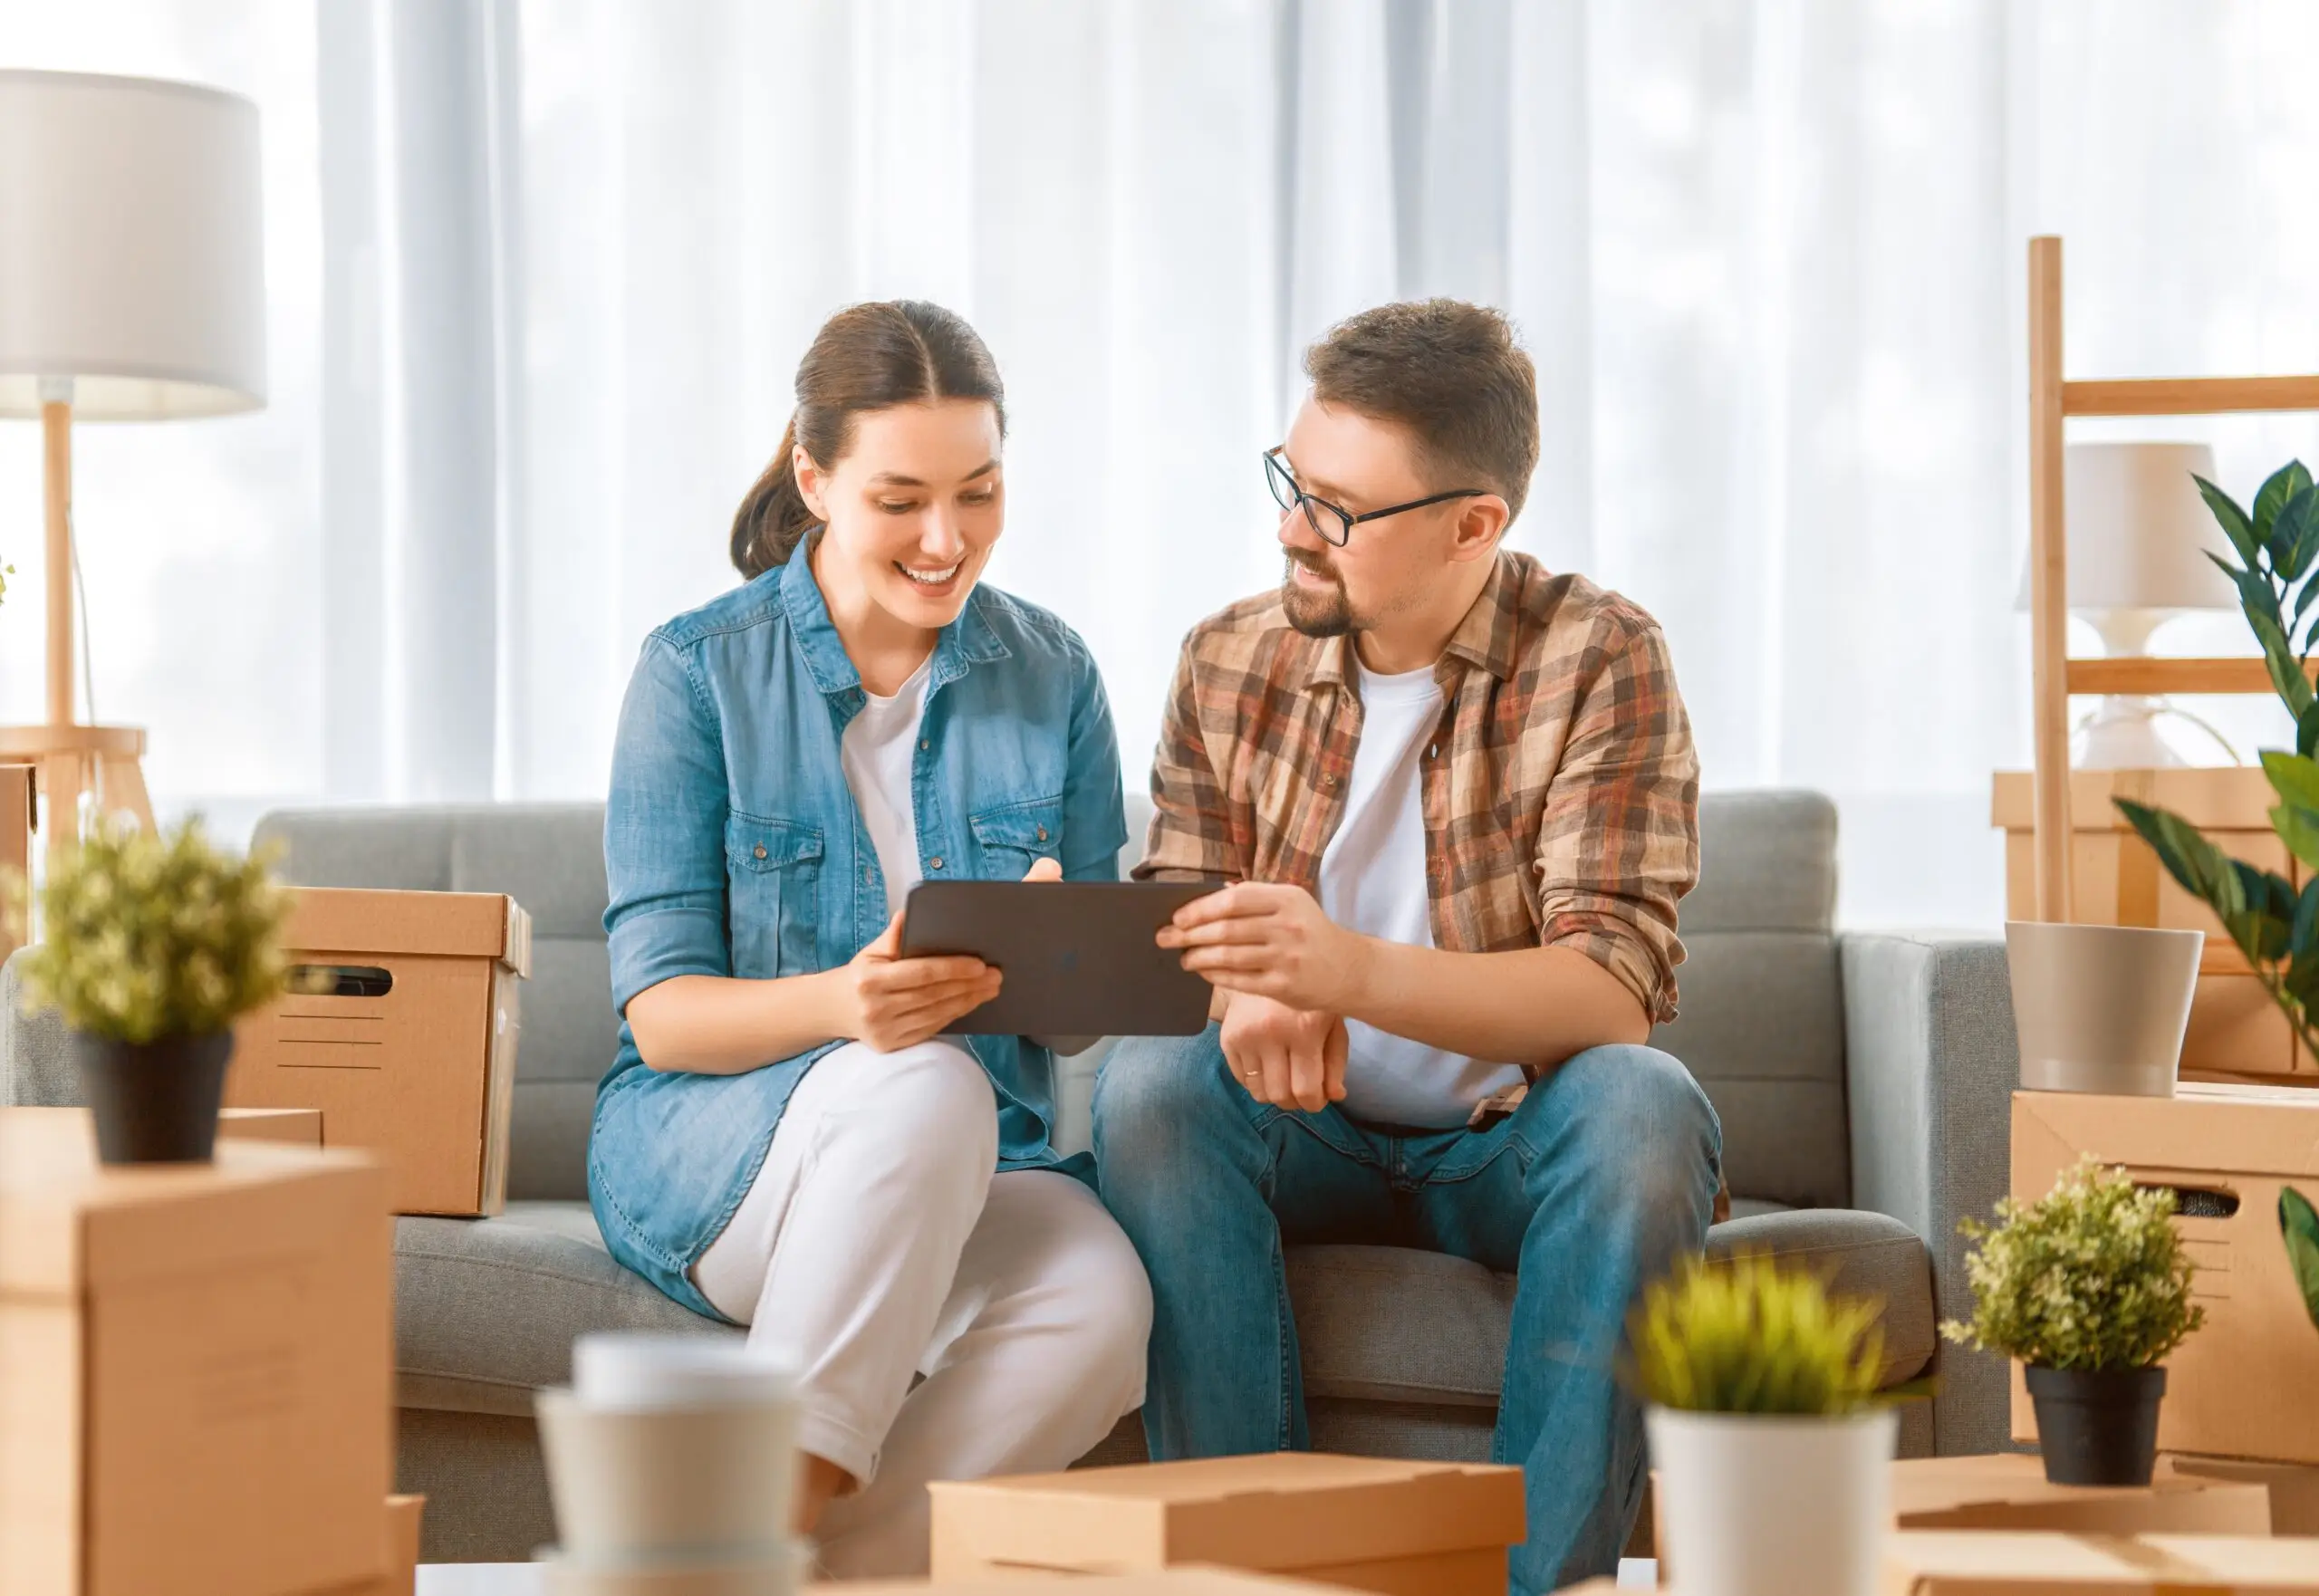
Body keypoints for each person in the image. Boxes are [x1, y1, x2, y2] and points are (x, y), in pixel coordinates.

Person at [1091, 299, 1721, 1595]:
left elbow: (1610, 989)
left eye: (1337, 509)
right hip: (1301, 1128)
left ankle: (1546, 1583)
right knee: (1150, 1088)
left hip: (1509, 1142)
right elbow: (1180, 922)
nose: (1290, 530)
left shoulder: (1601, 658)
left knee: (1646, 1108)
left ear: (1473, 525)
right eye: (1291, 482)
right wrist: (1236, 990)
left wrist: (1341, 969)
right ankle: (1249, 1574)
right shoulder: (1228, 658)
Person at [589, 300, 1150, 1577]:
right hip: (716, 1150)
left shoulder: (1054, 674)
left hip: (957, 1155)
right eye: (901, 499)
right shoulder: (695, 674)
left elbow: (1076, 1025)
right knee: (923, 1085)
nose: (948, 540)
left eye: (981, 491)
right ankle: (750, 1540)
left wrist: (1064, 950)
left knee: (1105, 1299)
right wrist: (848, 1005)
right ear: (814, 477)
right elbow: (664, 1013)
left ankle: (801, 1570)